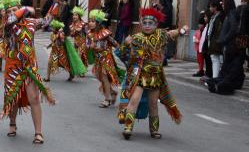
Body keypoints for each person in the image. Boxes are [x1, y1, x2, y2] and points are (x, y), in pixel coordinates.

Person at [118, 8, 189, 140]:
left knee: (153, 103)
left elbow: (174, 33)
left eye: (151, 23)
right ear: (141, 24)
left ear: (156, 25)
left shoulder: (161, 35)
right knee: (134, 99)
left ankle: (154, 130)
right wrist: (125, 45)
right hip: (139, 74)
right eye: (144, 23)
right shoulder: (135, 38)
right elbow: (122, 55)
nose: (147, 25)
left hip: (155, 75)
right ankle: (128, 127)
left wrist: (183, 29)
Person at [0, 0, 55, 144]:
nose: (12, 12)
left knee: (34, 98)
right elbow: (13, 18)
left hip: (30, 65)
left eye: (14, 9)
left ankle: (38, 132)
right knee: (13, 98)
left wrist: (57, 3)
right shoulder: (8, 25)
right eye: (9, 10)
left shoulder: (31, 23)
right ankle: (12, 123)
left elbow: (47, 20)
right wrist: (25, 8)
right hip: (13, 65)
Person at [206, 0, 246, 95]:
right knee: (230, 66)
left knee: (230, 65)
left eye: (223, 4)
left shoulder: (231, 14)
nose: (222, 6)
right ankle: (228, 81)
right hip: (230, 45)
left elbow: (233, 29)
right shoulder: (230, 14)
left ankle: (229, 83)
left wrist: (223, 40)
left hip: (231, 46)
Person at [87, 9, 120, 108]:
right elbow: (87, 46)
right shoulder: (89, 34)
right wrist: (90, 47)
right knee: (98, 76)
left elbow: (114, 43)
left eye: (93, 21)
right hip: (98, 59)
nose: (90, 23)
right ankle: (113, 92)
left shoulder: (105, 33)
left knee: (104, 76)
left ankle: (107, 99)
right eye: (90, 21)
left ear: (98, 22)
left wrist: (122, 49)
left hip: (106, 57)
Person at [205, 0, 224, 79]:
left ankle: (215, 78)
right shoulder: (213, 17)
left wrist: (216, 42)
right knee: (214, 60)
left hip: (216, 43)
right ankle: (215, 77)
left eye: (210, 7)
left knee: (216, 60)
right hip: (212, 42)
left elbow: (218, 31)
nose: (209, 8)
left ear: (215, 7)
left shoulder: (218, 17)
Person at [192, 12, 206, 77]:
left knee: (201, 59)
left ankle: (201, 70)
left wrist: (198, 41)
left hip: (201, 48)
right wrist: (194, 39)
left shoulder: (204, 31)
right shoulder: (198, 31)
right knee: (198, 59)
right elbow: (194, 36)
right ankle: (200, 69)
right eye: (199, 24)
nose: (199, 25)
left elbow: (203, 40)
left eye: (201, 24)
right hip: (197, 48)